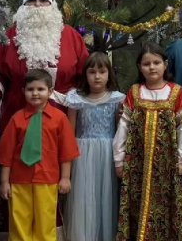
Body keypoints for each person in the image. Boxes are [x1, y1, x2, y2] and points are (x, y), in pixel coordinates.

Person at [114, 42, 182, 241]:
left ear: (165, 64)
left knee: (166, 205)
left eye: (156, 62)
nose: (152, 67)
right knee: (136, 203)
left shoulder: (176, 92)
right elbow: (123, 127)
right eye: (146, 64)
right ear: (139, 67)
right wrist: (119, 159)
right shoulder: (134, 92)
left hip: (167, 164)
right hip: (136, 163)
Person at [0, 0, 89, 131]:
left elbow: (85, 73)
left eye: (43, 0)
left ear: (52, 5)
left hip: (63, 115)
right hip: (18, 114)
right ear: (23, 6)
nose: (37, 5)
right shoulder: (8, 37)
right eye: (31, 0)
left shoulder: (71, 36)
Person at [0, 69, 79, 241]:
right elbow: (6, 153)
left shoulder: (60, 118)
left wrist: (65, 178)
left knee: (45, 221)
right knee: (19, 221)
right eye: (30, 89)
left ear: (50, 91)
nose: (35, 93)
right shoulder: (16, 119)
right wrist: (4, 182)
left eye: (40, 89)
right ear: (23, 91)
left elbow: (66, 151)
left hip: (48, 179)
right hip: (19, 180)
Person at [55, 52, 125, 241]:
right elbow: (69, 134)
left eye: (102, 72)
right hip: (82, 155)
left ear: (109, 74)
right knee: (83, 197)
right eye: (92, 72)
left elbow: (120, 131)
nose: (97, 76)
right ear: (85, 74)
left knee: (105, 197)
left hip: (107, 154)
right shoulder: (76, 99)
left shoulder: (117, 99)